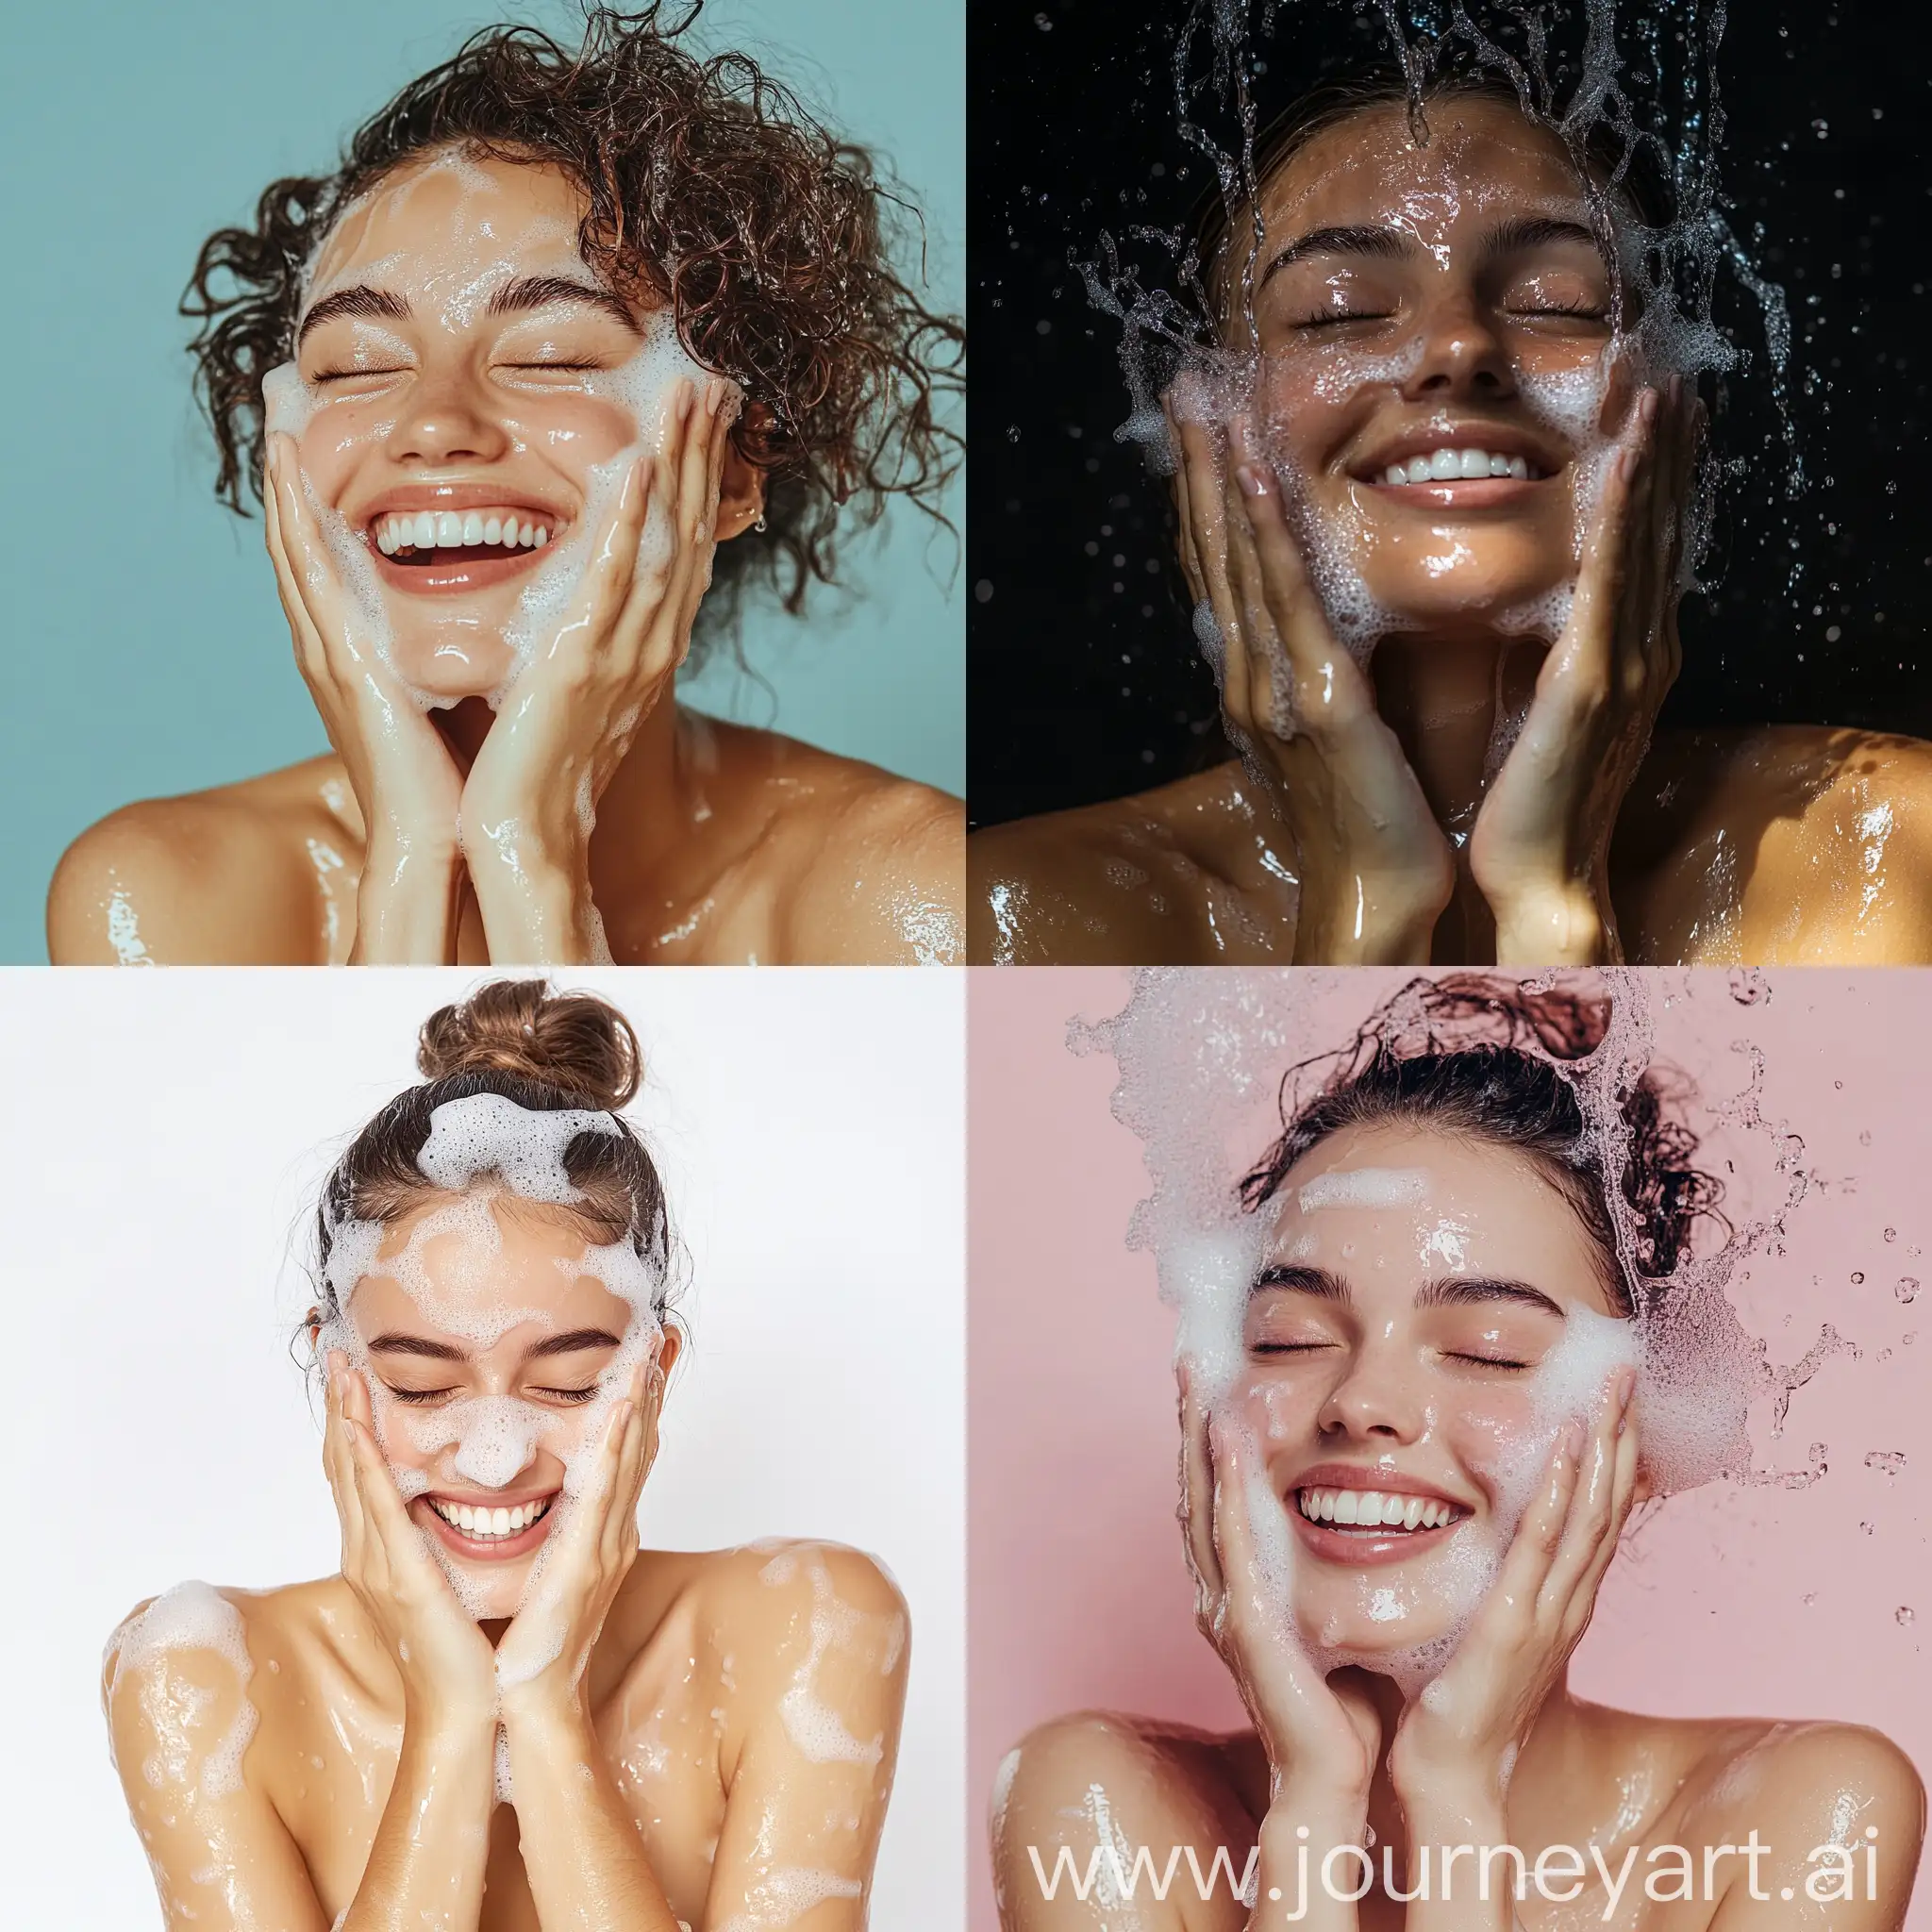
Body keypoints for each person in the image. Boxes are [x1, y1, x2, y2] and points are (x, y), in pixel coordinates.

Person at [992, 977, 1924, 1931]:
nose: (1360, 1402)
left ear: (1639, 1443)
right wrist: (1310, 1799)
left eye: (1484, 1350)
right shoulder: (1102, 1806)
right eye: (1286, 1336)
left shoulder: (1796, 1816)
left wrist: (1456, 1796)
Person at [52, 8, 964, 966]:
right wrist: (412, 860)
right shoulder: (167, 900)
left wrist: (525, 853)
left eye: (550, 353)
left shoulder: (911, 900)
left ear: (736, 467)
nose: (434, 425)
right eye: (356, 365)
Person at [969, 76, 1932, 966]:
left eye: (1559, 302)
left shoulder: (1881, 851)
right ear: (1204, 429)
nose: (1460, 344)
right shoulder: (1028, 921)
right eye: (1336, 313)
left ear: (1676, 405)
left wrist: (1553, 908)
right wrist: (1362, 911)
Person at [104, 980, 908, 1929]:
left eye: (566, 1385)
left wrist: (543, 1708)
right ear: (339, 1375)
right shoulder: (201, 1676)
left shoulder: (806, 1627)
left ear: (652, 1377)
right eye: (421, 1384)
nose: (494, 1458)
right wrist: (449, 1725)